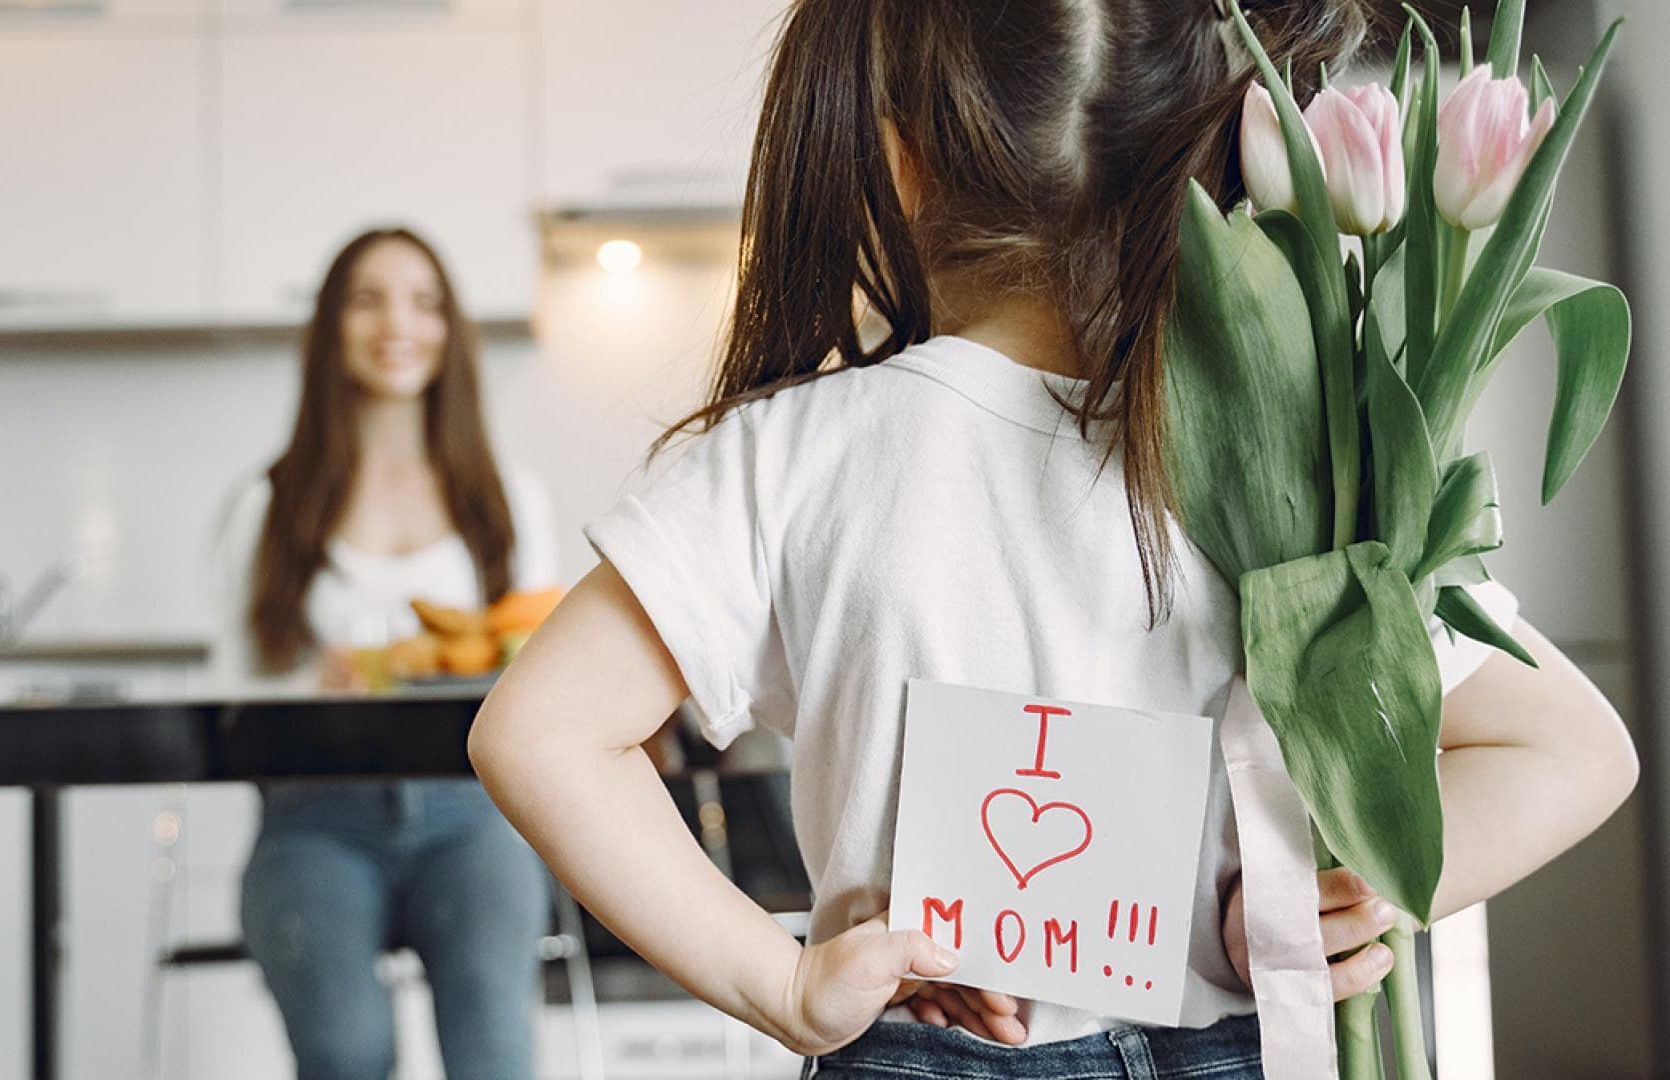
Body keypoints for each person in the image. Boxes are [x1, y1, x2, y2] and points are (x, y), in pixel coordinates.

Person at [465, 1, 1641, 1077]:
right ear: (1211, 162)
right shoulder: (1283, 456)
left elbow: (540, 735)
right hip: (1231, 1044)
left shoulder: (788, 454)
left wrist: (782, 988)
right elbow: (1573, 750)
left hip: (923, 1048)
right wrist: (1346, 896)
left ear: (901, 163)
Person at [212, 227, 555, 1080]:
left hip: (474, 816)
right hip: (314, 819)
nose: (397, 324)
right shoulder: (267, 504)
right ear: (331, 325)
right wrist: (307, 684)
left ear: (451, 329)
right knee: (345, 1052)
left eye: (424, 302)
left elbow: (543, 676)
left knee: (496, 1053)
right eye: (368, 300)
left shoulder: (509, 497)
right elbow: (228, 691)